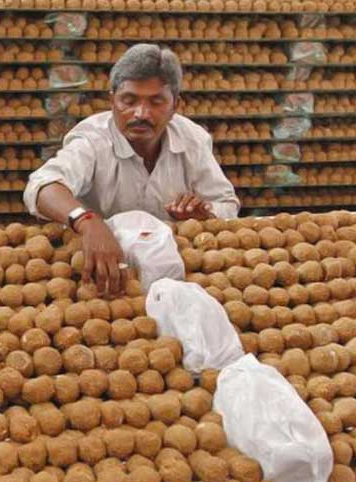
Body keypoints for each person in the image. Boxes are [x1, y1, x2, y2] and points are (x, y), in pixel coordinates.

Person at [23, 43, 239, 296]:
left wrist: (204, 216)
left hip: (176, 269)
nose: (141, 113)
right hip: (102, 275)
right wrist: (87, 221)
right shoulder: (92, 139)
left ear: (175, 105)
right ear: (112, 100)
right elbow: (43, 185)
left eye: (156, 102)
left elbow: (227, 203)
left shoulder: (192, 140)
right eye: (129, 100)